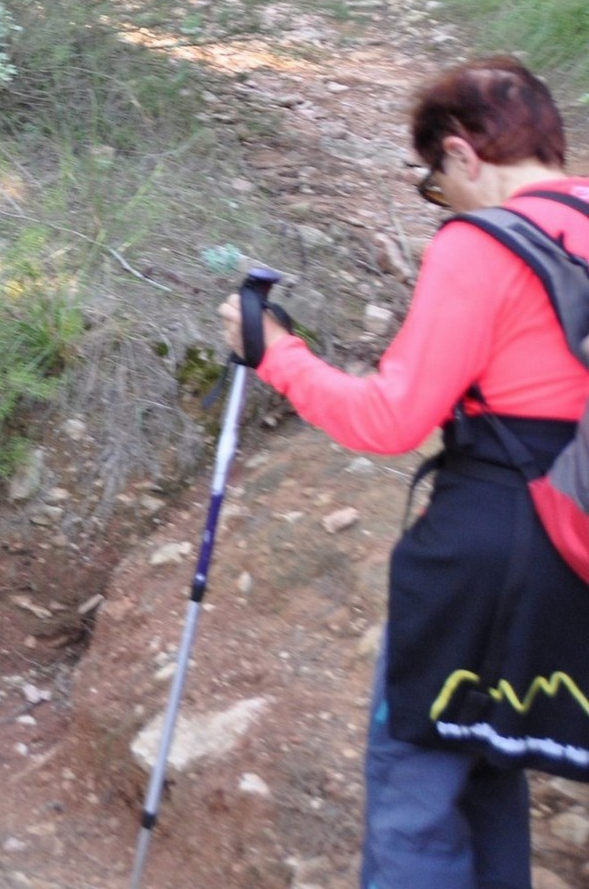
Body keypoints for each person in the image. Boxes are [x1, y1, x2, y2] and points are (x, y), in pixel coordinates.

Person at [220, 56, 589, 889]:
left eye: (434, 184)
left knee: (415, 790)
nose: (442, 203)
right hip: (576, 550)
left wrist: (273, 353)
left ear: (462, 152)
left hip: (486, 548)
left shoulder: (481, 245)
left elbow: (390, 420)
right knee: (490, 768)